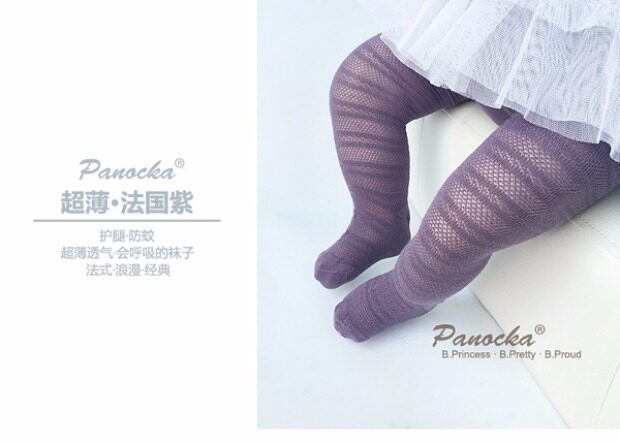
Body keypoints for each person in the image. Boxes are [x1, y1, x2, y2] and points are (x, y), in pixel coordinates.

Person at [315, 0, 620, 341]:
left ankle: (406, 293)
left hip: (599, 106)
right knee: (360, 86)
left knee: (461, 220)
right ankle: (377, 221)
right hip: (516, 29)